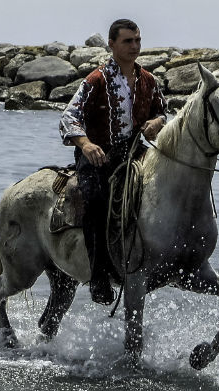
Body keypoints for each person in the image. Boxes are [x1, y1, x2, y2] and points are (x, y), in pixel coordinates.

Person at [59, 18, 167, 304]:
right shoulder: (96, 80)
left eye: (138, 40)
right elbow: (69, 117)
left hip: (135, 153)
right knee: (95, 201)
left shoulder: (148, 80)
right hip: (97, 156)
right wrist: (85, 144)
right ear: (112, 44)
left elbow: (162, 110)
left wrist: (156, 122)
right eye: (128, 41)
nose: (135, 46)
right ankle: (98, 276)